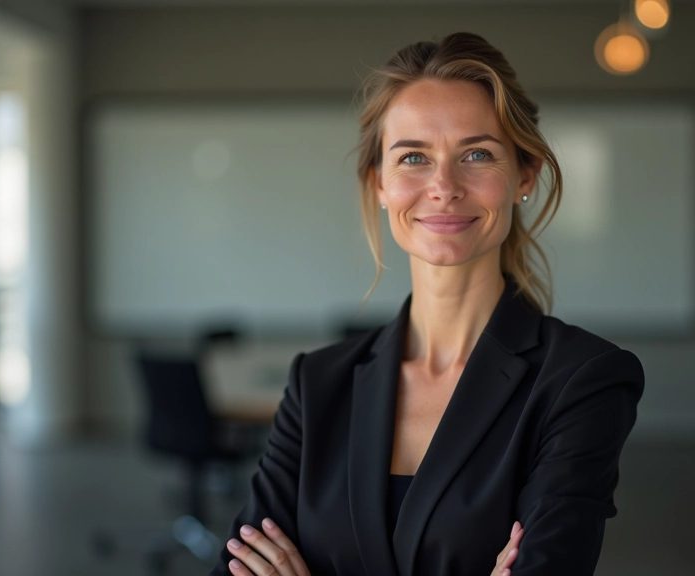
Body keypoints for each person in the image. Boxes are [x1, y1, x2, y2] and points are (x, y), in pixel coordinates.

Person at [209, 32, 644, 576]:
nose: (443, 185)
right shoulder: (317, 384)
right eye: (413, 157)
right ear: (380, 184)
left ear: (524, 176)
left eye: (477, 154)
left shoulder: (581, 380)